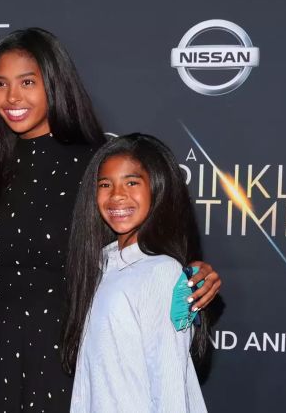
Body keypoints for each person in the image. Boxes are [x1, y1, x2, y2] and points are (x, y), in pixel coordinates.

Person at [0, 28, 219, 413]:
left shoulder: (94, 163)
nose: (12, 97)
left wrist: (193, 272)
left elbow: (143, 251)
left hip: (68, 355)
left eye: (27, 82)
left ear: (54, 83)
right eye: (0, 84)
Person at [64, 133, 208, 412]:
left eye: (131, 182)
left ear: (158, 187)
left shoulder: (163, 272)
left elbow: (169, 383)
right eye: (105, 184)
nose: (117, 195)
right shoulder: (102, 264)